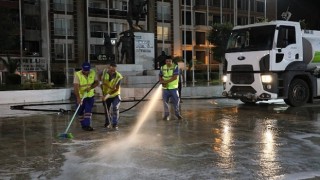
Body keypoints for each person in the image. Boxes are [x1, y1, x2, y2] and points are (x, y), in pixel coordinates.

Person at [73, 62, 99, 131]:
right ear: (82, 69)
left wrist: (90, 88)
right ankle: (83, 125)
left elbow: (97, 82)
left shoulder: (93, 72)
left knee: (88, 110)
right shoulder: (77, 74)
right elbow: (75, 87)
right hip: (81, 96)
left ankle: (87, 125)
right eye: (85, 70)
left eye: (87, 70)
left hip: (90, 96)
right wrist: (78, 98)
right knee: (80, 111)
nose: (86, 72)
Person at [100, 63, 123, 130]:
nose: (112, 72)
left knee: (115, 108)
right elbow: (98, 75)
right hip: (105, 93)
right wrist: (100, 82)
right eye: (111, 70)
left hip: (115, 94)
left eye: (114, 70)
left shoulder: (118, 76)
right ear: (108, 68)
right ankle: (107, 122)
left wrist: (107, 96)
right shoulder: (104, 72)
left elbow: (116, 89)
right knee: (106, 109)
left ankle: (114, 124)